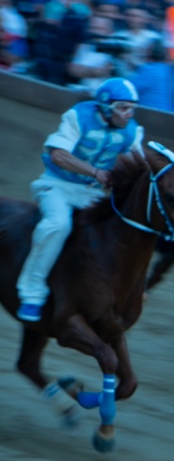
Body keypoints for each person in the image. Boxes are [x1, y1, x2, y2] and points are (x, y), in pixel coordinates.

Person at [16, 78, 144, 322]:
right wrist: (96, 172)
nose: (129, 114)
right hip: (56, 185)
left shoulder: (132, 130)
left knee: (117, 234)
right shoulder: (77, 116)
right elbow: (58, 155)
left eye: (132, 108)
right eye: (123, 107)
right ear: (106, 107)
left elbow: (135, 163)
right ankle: (31, 292)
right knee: (58, 224)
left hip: (92, 194)